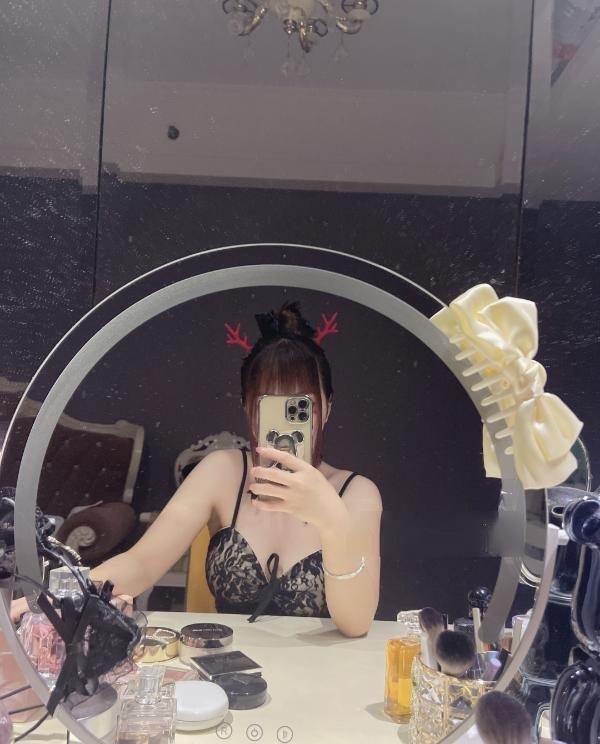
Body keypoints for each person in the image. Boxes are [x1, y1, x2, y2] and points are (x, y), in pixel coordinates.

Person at [17, 303, 382, 637]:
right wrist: (47, 601)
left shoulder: (356, 493)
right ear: (248, 407)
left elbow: (356, 623)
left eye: (300, 407)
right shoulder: (224, 471)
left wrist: (331, 518)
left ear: (327, 407)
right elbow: (142, 563)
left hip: (322, 675)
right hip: (225, 668)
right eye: (270, 406)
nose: (286, 425)